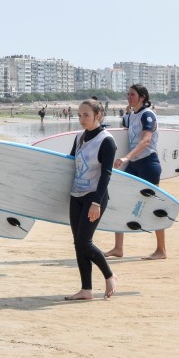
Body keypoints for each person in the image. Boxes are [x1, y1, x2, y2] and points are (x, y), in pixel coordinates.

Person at [65, 99, 118, 300]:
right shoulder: (79, 137)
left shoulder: (107, 141)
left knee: (84, 242)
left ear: (98, 116)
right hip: (76, 195)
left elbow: (106, 174)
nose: (82, 119)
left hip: (95, 197)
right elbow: (70, 165)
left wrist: (96, 202)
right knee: (78, 243)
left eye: (86, 115)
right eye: (79, 115)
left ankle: (109, 275)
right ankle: (86, 289)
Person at [105, 84, 165, 260]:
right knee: (119, 201)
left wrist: (126, 158)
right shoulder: (132, 116)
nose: (129, 97)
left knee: (154, 207)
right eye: (128, 94)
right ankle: (118, 248)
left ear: (143, 97)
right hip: (134, 165)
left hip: (148, 164)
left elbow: (146, 141)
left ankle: (161, 250)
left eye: (132, 94)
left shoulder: (148, 115)